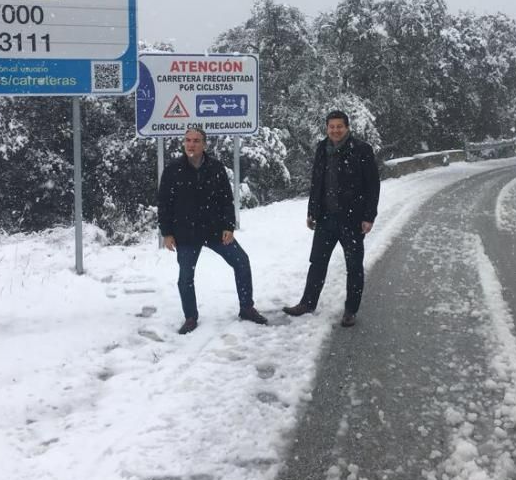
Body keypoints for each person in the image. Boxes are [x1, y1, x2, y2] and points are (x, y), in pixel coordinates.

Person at [158, 127, 268, 334]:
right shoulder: (173, 170)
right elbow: (164, 203)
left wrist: (228, 226)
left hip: (215, 230)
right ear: (184, 143)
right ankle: (190, 317)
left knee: (241, 262)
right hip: (186, 233)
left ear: (204, 144)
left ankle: (247, 307)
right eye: (188, 140)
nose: (191, 144)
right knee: (185, 277)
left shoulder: (216, 168)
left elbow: (226, 200)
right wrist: (167, 233)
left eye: (196, 141)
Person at [283, 110, 380, 327]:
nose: (335, 130)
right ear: (327, 128)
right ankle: (307, 303)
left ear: (347, 127)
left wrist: (368, 216)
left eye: (339, 126)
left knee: (353, 266)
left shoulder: (361, 149)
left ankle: (350, 310)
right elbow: (317, 182)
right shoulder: (322, 148)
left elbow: (373, 185)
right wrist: (312, 211)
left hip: (353, 220)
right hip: (326, 219)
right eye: (331, 126)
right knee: (317, 263)